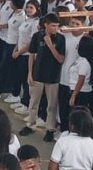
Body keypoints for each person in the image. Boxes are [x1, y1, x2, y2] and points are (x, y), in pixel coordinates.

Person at [21, 13, 65, 141]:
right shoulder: (37, 36)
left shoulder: (61, 39)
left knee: (51, 105)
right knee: (33, 102)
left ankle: (50, 128)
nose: (55, 28)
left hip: (53, 77)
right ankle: (30, 124)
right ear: (46, 25)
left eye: (57, 26)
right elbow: (31, 55)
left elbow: (60, 59)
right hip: (37, 75)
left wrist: (51, 45)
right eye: (53, 26)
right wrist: (30, 73)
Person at [9, 0, 41, 116]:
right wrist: (15, 49)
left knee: (27, 81)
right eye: (27, 7)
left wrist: (19, 52)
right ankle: (22, 100)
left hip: (27, 55)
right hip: (20, 53)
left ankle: (27, 104)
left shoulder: (36, 23)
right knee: (20, 78)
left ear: (37, 9)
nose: (28, 9)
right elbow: (20, 36)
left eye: (31, 7)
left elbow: (31, 42)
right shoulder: (27, 20)